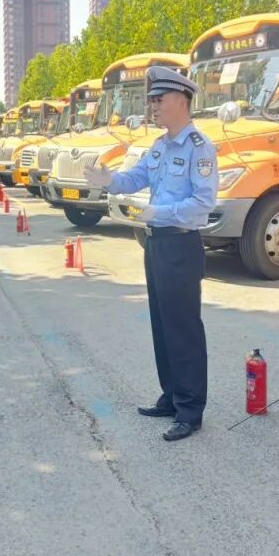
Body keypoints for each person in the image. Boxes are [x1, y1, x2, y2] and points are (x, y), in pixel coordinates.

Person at [85, 66, 218, 442]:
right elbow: (136, 178)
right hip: (157, 243)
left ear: (180, 100)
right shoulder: (159, 146)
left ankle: (191, 410)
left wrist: (159, 213)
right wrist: (107, 179)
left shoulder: (199, 148)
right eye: (152, 101)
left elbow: (203, 204)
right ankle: (172, 397)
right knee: (162, 324)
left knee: (184, 328)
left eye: (158, 100)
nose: (153, 106)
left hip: (180, 242)